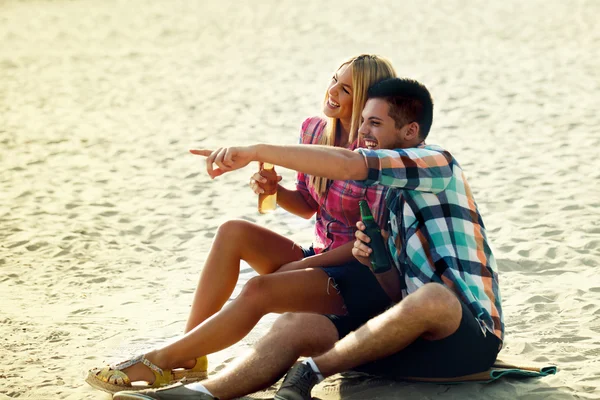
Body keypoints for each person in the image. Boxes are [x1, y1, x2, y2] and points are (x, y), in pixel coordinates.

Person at [112, 77, 503, 400]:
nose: (363, 132)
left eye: (375, 124)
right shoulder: (388, 197)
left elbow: (351, 165)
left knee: (436, 296)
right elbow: (393, 293)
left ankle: (311, 372)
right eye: (363, 121)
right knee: (299, 324)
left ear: (411, 131)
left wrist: (256, 150)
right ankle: (203, 393)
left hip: (467, 344)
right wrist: (375, 260)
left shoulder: (437, 163)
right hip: (402, 349)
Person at [86, 55, 397, 394]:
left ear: (367, 101)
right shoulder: (314, 130)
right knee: (233, 231)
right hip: (320, 256)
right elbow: (309, 206)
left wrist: (302, 264)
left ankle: (159, 358)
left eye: (346, 89)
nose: (332, 91)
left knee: (257, 290)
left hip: (358, 272)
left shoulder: (373, 155)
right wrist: (275, 191)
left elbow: (368, 244)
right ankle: (190, 358)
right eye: (334, 79)